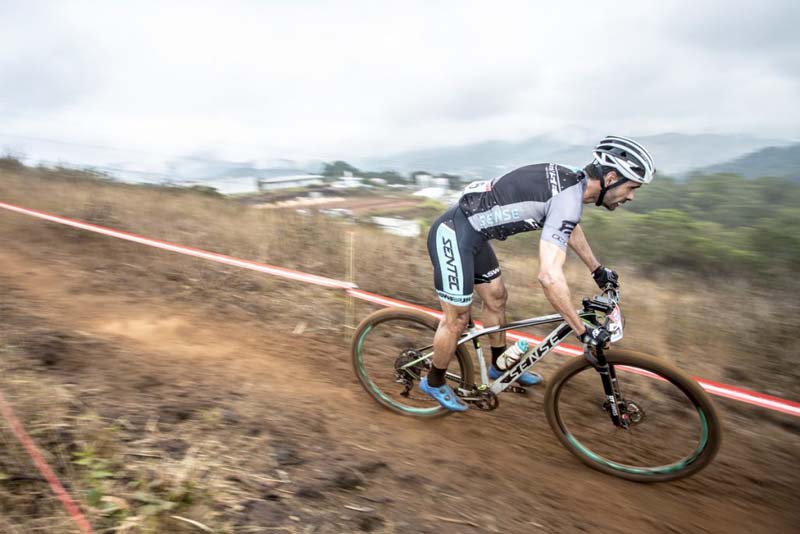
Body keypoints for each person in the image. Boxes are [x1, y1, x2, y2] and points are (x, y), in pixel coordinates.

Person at [420, 135, 656, 411]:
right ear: (612, 177)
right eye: (631, 188)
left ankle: (498, 366)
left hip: (474, 235)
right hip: (453, 234)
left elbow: (568, 226)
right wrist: (583, 333)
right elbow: (548, 276)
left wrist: (597, 269)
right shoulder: (569, 197)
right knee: (457, 319)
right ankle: (434, 381)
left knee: (496, 298)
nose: (630, 196)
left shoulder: (573, 185)